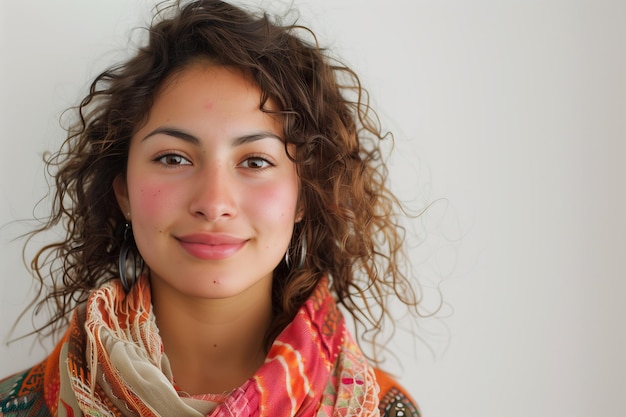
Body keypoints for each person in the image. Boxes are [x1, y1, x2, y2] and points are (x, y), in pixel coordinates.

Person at [0, 0, 421, 415]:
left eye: (255, 162)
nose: (214, 203)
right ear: (123, 191)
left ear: (304, 196)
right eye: (173, 158)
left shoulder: (383, 409)